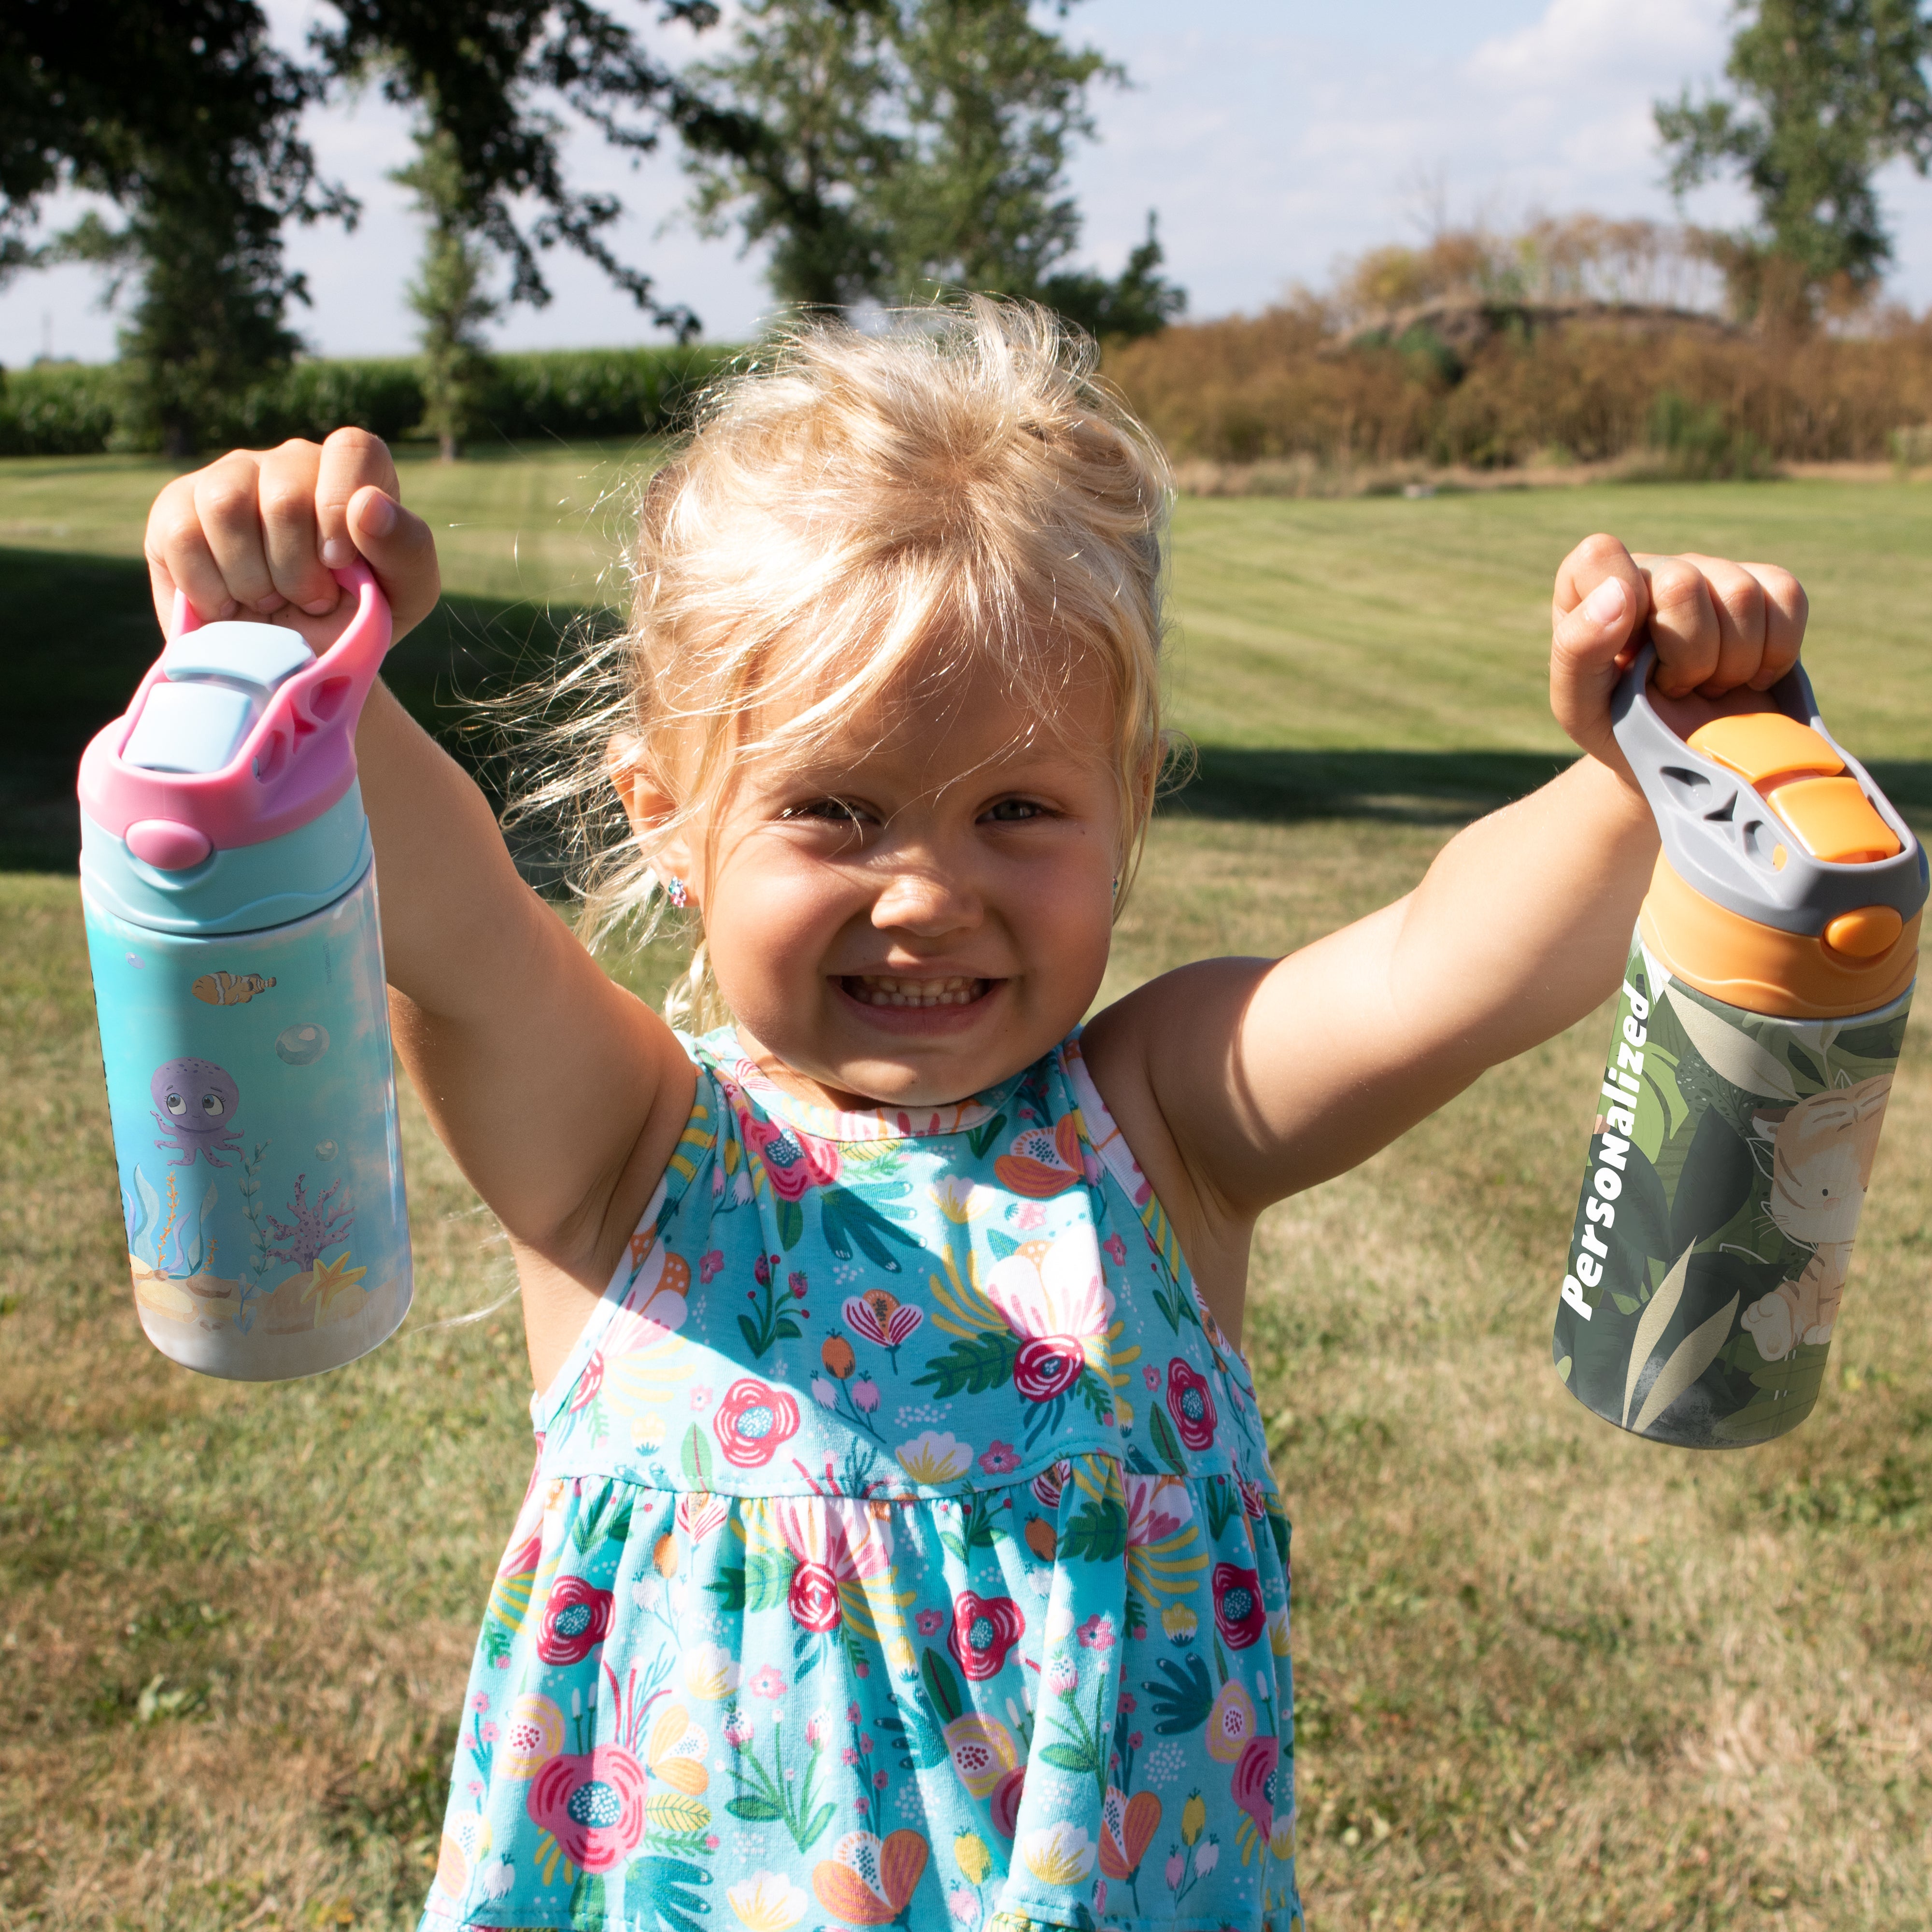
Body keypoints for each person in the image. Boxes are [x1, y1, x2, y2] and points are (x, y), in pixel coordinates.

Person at [140, 300, 1807, 1932]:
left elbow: (1455, 966)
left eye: (1019, 809)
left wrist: (1644, 764)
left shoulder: (1163, 1133)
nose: (927, 894)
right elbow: (461, 933)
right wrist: (297, 676)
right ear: (668, 817)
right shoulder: (629, 1155)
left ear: (1130, 801)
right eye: (834, 811)